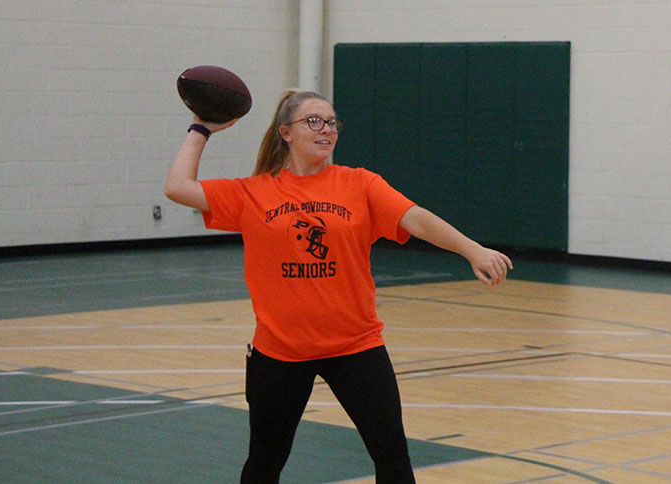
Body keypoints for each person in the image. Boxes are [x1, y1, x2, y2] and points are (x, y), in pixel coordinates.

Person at [165, 89, 513, 484]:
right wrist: (201, 128)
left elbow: (416, 218)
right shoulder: (254, 192)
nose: (326, 129)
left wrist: (473, 250)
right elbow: (177, 187)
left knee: (393, 460)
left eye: (331, 122)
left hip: (356, 346)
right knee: (264, 462)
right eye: (314, 121)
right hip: (280, 351)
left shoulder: (360, 184)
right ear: (286, 132)